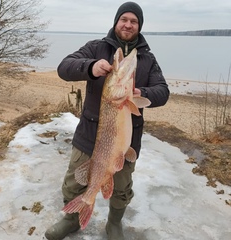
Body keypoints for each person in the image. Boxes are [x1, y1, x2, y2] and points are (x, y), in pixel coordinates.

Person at [44, 2, 169, 240]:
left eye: (134, 21)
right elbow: (64, 68)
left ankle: (114, 223)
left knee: (121, 188)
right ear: (116, 22)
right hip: (88, 136)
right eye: (124, 19)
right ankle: (71, 220)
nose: (128, 24)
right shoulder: (95, 47)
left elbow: (163, 91)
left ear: (139, 26)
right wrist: (90, 67)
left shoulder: (147, 59)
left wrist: (142, 93)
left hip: (124, 143)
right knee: (74, 182)